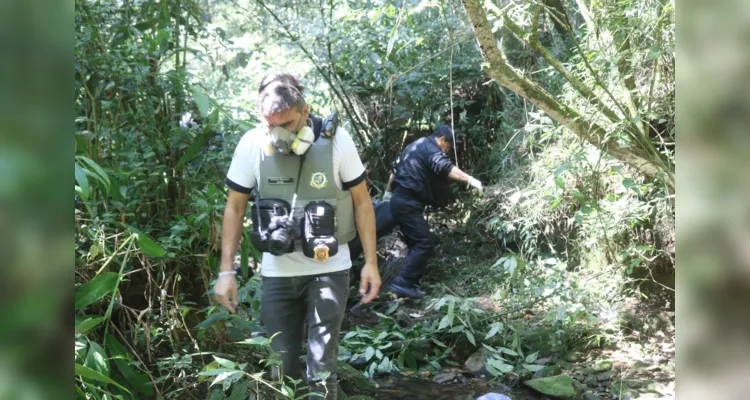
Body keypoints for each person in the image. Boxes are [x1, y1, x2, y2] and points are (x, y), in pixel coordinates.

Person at [213, 72, 381, 399]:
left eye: (287, 125)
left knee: (321, 368)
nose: (278, 135)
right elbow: (233, 208)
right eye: (269, 125)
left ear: (306, 110)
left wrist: (370, 263)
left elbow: (362, 202)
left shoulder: (337, 141)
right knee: (279, 369)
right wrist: (226, 272)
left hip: (329, 270)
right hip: (277, 274)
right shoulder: (251, 145)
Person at [384, 125, 484, 298]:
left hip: (399, 201)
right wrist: (471, 180)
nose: (448, 151)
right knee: (424, 242)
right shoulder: (430, 147)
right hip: (408, 203)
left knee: (416, 243)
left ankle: (409, 285)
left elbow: (394, 171)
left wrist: (387, 195)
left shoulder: (414, 145)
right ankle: (402, 283)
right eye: (449, 147)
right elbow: (446, 167)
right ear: (442, 140)